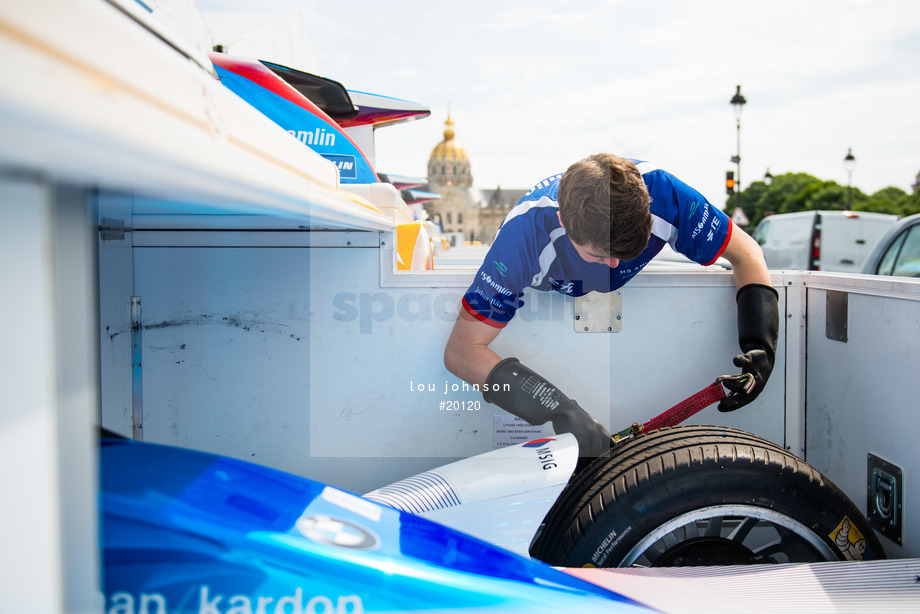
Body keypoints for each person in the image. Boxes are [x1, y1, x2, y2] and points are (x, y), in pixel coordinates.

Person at [443, 153, 778, 457]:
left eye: (631, 249)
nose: (616, 266)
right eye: (600, 255)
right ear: (563, 222)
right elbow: (461, 352)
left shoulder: (665, 193)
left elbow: (746, 252)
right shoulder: (523, 238)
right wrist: (562, 412)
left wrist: (760, 344)